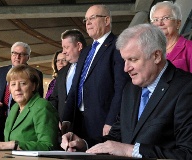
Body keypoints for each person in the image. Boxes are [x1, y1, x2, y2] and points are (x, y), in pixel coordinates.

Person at [61, 24, 192, 159]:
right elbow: (116, 137)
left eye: (133, 59)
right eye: (124, 60)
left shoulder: (186, 88)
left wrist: (131, 150)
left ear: (156, 56)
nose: (126, 68)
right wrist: (84, 143)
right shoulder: (130, 89)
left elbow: (187, 153)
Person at [61, 5, 129, 139]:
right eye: (86, 19)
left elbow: (121, 88)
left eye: (92, 18)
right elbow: (75, 86)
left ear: (107, 20)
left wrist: (111, 121)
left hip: (102, 121)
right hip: (78, 121)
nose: (88, 22)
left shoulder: (118, 46)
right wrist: (66, 118)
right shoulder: (86, 51)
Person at [0, 64, 59, 151]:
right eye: (13, 84)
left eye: (23, 83)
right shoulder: (15, 108)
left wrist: (13, 145)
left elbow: (48, 146)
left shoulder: (42, 106)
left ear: (33, 86)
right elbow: (9, 142)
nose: (17, 88)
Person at [0, 42, 44, 116]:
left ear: (28, 57)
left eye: (21, 54)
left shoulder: (35, 73)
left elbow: (37, 97)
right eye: (14, 53)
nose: (17, 57)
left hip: (21, 116)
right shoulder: (1, 71)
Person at [49, 29, 87, 123]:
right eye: (63, 48)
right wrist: (55, 118)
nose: (64, 52)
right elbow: (55, 98)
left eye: (66, 47)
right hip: (64, 125)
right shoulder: (62, 72)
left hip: (87, 124)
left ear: (79, 46)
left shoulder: (90, 68)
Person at [150, 1, 192, 72]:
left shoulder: (189, 48)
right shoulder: (148, 49)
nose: (160, 23)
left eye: (165, 18)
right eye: (156, 20)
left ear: (178, 23)